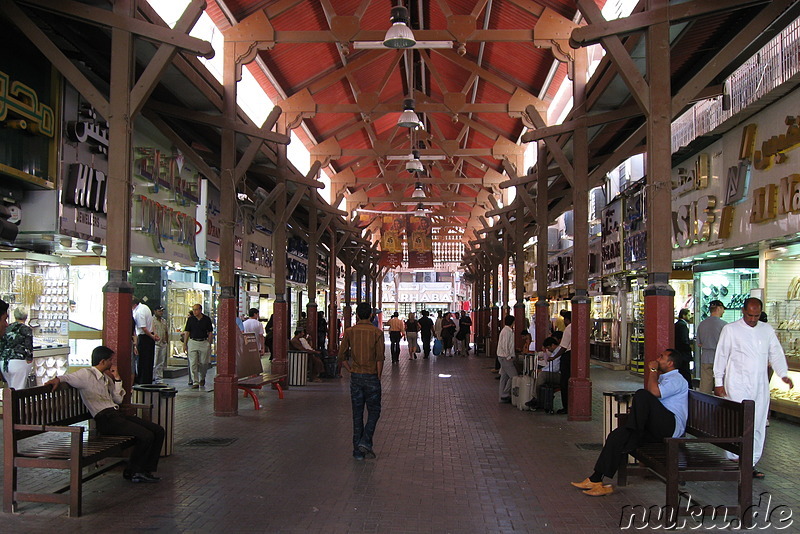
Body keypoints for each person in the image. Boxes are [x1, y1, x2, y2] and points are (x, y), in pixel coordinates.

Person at [572, 349, 688, 496]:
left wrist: (652, 370)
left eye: (662, 357)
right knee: (616, 436)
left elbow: (653, 393)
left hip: (671, 427)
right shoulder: (665, 378)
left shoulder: (677, 379)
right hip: (658, 426)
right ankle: (596, 479)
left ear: (670, 363)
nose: (658, 359)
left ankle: (634, 431)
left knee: (641, 394)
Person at [46, 345, 165, 483]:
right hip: (106, 419)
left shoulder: (105, 378)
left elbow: (118, 399)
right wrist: (55, 380)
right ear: (102, 361)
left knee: (158, 430)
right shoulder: (86, 374)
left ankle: (146, 469)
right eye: (110, 360)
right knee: (146, 436)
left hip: (116, 416)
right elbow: (66, 377)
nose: (112, 363)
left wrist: (117, 379)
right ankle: (134, 472)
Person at [714, 297, 794, 478]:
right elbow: (721, 356)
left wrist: (783, 374)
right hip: (736, 384)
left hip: (760, 385)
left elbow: (776, 352)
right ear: (743, 311)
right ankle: (734, 459)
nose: (752, 319)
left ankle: (750, 462)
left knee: (758, 423)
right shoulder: (730, 330)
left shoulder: (766, 330)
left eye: (756, 316)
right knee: (737, 422)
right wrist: (718, 382)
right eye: (750, 315)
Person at [338, 301, 385, 461]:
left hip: (356, 377)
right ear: (371, 315)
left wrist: (350, 369)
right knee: (375, 411)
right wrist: (378, 376)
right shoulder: (377, 333)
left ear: (357, 315)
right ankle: (365, 441)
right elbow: (380, 358)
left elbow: (341, 355)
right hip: (371, 376)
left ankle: (357, 451)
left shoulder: (350, 332)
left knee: (357, 414)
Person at [696, 300, 726, 394]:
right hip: (721, 358)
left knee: (705, 386)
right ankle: (723, 406)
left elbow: (699, 344)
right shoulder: (725, 325)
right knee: (722, 384)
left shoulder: (702, 324)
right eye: (722, 309)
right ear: (718, 308)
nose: (723, 312)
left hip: (706, 357)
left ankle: (704, 407)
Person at [0, 307, 34, 389]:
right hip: (19, 362)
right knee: (18, 390)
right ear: (26, 317)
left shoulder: (7, 328)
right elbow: (28, 346)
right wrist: (29, 358)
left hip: (4, 362)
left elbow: (2, 344)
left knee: (10, 388)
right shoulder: (26, 329)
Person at [182, 304, 214, 389]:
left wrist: (209, 343)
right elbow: (187, 332)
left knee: (204, 363)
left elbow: (210, 332)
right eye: (193, 310)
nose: (194, 311)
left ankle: (202, 377)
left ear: (200, 310)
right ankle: (195, 381)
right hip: (193, 341)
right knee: (193, 363)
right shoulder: (190, 319)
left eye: (196, 310)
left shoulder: (206, 319)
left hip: (203, 342)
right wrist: (185, 344)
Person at [525, 336, 560, 409]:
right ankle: (533, 395)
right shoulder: (554, 352)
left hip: (558, 374)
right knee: (534, 373)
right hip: (552, 371)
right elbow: (550, 365)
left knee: (541, 375)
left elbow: (555, 368)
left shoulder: (558, 352)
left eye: (548, 347)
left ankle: (536, 398)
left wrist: (542, 370)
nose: (548, 350)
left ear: (553, 345)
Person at [548, 310, 572, 414]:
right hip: (574, 357)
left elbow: (563, 347)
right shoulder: (578, 326)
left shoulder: (568, 329)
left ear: (566, 320)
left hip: (567, 356)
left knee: (564, 382)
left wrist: (554, 357)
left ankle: (566, 407)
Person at [132, 297, 158, 385]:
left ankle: (143, 381)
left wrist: (152, 336)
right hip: (149, 336)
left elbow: (143, 327)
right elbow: (151, 323)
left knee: (143, 361)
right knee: (148, 361)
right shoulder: (145, 307)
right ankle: (147, 380)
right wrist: (154, 334)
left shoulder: (139, 312)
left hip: (144, 337)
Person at [497, 315, 517, 404]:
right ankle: (505, 394)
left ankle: (502, 396)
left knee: (504, 377)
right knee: (514, 376)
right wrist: (509, 356)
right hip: (505, 357)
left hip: (502, 356)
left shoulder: (506, 331)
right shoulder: (507, 332)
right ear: (512, 322)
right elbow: (505, 345)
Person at [674, 308, 693, 387]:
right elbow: (683, 340)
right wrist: (688, 349)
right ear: (684, 315)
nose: (690, 317)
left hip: (679, 353)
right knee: (685, 372)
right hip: (683, 354)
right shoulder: (682, 326)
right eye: (688, 315)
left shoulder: (677, 325)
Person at [151, 307, 169, 384]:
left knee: (161, 362)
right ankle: (152, 377)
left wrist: (166, 341)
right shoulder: (152, 320)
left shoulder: (164, 321)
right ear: (155, 311)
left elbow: (166, 332)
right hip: (155, 343)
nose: (161, 313)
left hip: (163, 343)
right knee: (154, 362)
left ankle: (159, 378)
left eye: (162, 311)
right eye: (159, 311)